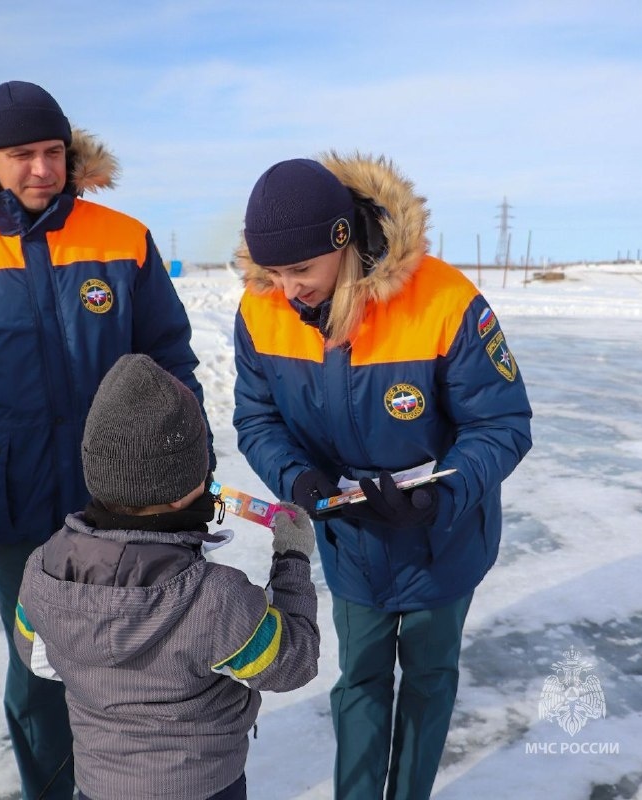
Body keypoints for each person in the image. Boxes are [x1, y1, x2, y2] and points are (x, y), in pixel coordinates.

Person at [0, 81, 215, 799]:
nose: (41, 169)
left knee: (134, 662)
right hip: (13, 498)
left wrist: (196, 472)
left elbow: (170, 361)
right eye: (22, 155)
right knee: (37, 669)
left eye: (53, 152)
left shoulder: (120, 239)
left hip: (123, 499)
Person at [232, 153, 533, 799]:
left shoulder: (444, 300)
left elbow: (502, 423)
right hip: (353, 545)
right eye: (273, 271)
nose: (288, 289)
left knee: (428, 678)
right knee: (360, 678)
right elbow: (256, 419)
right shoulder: (260, 311)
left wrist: (440, 497)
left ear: (343, 242)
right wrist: (300, 482)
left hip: (444, 538)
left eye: (301, 269)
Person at [14, 353, 319, 800]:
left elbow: (36, 656)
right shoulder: (215, 598)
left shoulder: (44, 567)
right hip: (203, 786)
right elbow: (295, 659)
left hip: (98, 785)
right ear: (183, 490)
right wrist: (292, 559)